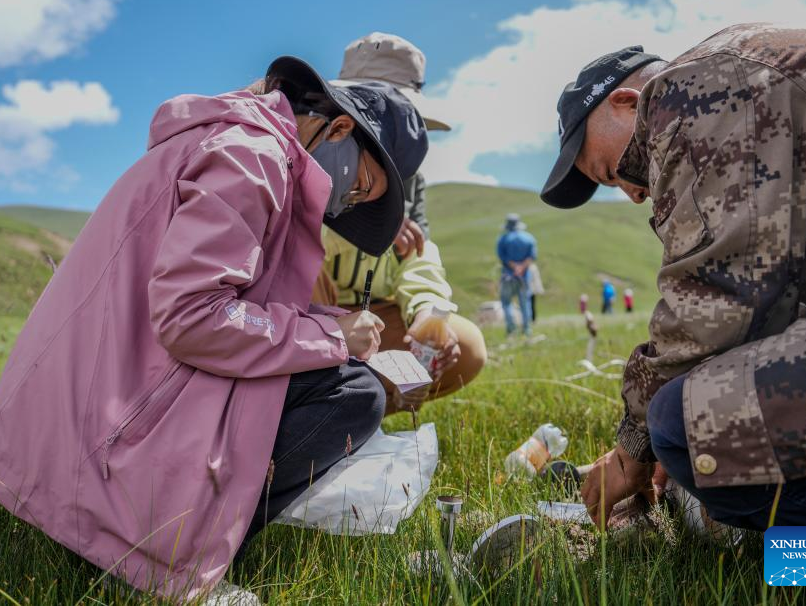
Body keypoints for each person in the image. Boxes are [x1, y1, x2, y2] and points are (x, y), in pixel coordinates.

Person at [0, 55, 427, 603]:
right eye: (360, 185)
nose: (342, 203)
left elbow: (224, 303)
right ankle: (163, 555)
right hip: (99, 442)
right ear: (339, 128)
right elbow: (194, 316)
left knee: (333, 371)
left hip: (84, 419)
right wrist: (334, 338)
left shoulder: (240, 141)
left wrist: (328, 326)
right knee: (353, 393)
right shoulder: (252, 157)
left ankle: (183, 533)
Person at [542, 25, 806, 531]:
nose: (632, 192)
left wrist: (634, 448)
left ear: (626, 101)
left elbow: (718, 301)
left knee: (680, 421)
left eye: (610, 171)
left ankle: (791, 568)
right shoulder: (737, 61)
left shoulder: (690, 91)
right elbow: (770, 298)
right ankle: (785, 564)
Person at [316, 32, 487, 409]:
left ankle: (363, 417)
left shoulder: (411, 180)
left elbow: (417, 257)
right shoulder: (311, 155)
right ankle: (310, 409)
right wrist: (371, 222)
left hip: (372, 317)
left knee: (467, 346)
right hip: (304, 322)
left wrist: (426, 312)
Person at [497, 214, 537, 336]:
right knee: (525, 302)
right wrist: (521, 268)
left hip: (508, 276)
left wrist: (515, 267)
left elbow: (502, 257)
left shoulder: (503, 239)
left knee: (506, 302)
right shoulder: (529, 238)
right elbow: (532, 257)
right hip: (524, 276)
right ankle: (527, 329)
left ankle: (511, 328)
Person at [519, 220, 544, 323]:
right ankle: (530, 320)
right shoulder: (530, 239)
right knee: (530, 303)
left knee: (526, 302)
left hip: (524, 282)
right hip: (530, 285)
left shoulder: (505, 238)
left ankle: (529, 320)